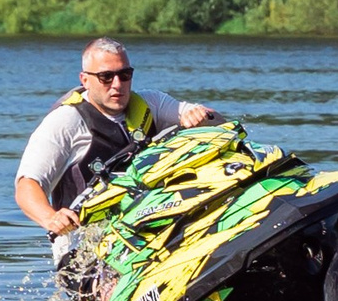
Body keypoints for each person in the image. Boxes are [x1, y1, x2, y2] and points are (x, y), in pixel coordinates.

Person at [14, 38, 219, 244]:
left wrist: (200, 117)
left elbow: (217, 122)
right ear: (85, 80)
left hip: (149, 231)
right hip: (86, 246)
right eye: (106, 77)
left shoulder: (152, 103)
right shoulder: (64, 122)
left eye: (124, 75)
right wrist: (50, 218)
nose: (117, 84)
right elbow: (26, 185)